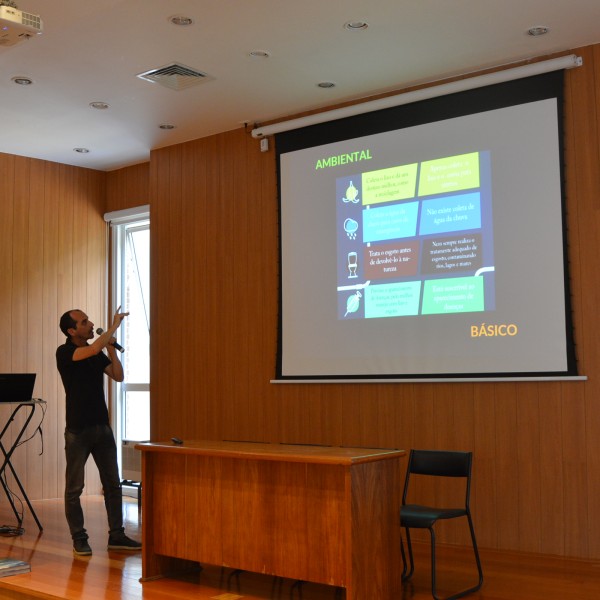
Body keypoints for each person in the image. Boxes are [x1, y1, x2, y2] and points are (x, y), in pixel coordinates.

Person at [56, 307, 142, 556]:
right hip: (78, 430)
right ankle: (79, 538)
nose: (91, 324)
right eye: (84, 322)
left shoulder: (96, 353)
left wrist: (111, 349)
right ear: (72, 331)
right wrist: (113, 328)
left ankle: (116, 535)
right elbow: (92, 349)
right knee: (75, 489)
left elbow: (117, 375)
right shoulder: (66, 352)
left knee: (113, 484)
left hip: (102, 427)